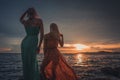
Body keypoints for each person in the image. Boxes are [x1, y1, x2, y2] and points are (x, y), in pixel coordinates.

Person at [20, 8, 44, 80]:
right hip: (33, 41)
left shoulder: (26, 22)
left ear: (28, 13)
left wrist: (25, 11)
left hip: (25, 42)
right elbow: (42, 34)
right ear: (34, 13)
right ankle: (33, 77)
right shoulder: (39, 21)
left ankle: (28, 77)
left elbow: (20, 19)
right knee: (33, 60)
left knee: (26, 61)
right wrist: (39, 46)